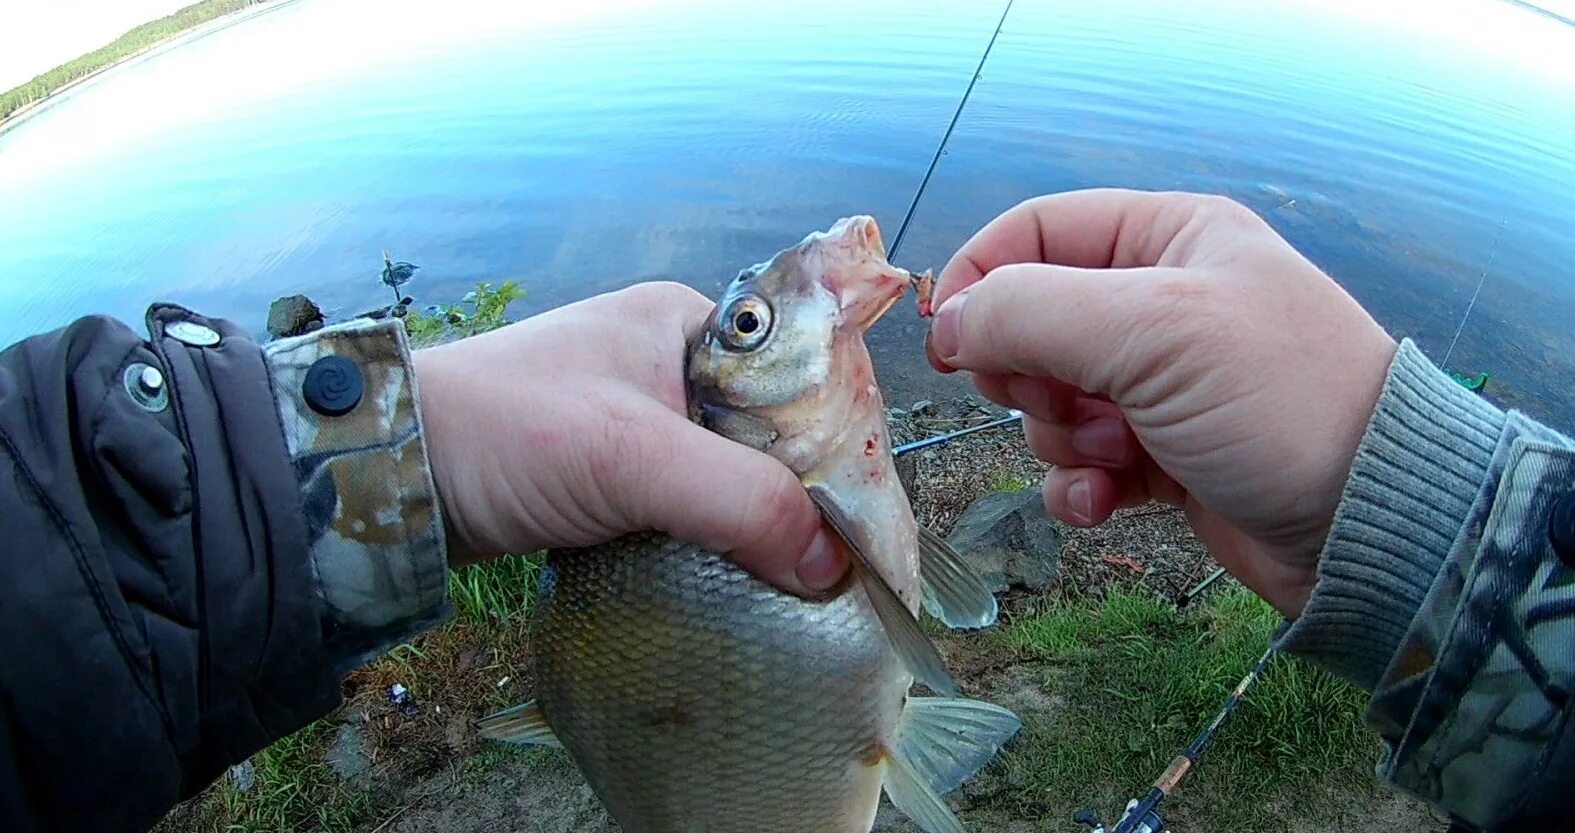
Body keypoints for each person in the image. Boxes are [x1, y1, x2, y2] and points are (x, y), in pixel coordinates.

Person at [0, 189, 1566, 833]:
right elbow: (938, 606)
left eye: (752, 321)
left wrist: (1387, 484)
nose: (789, 303)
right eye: (750, 330)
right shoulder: (768, 472)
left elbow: (938, 607)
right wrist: (1426, 513)